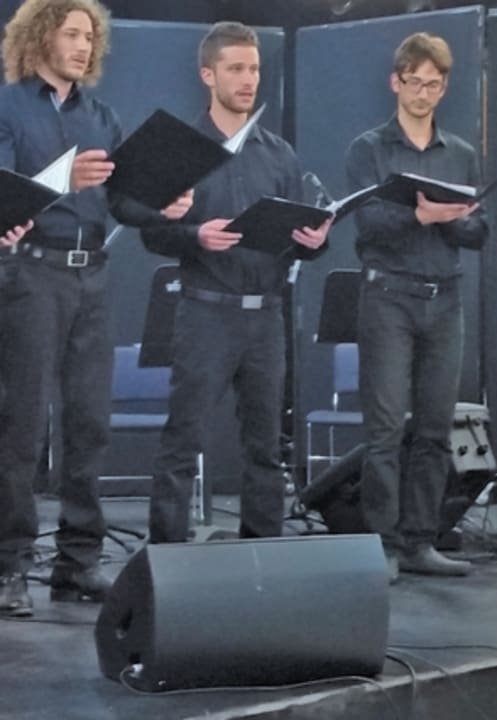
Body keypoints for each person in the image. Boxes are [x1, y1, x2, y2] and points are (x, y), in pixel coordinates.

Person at [0, 0, 191, 618]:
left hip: (93, 278)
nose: (84, 45)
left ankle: (77, 562)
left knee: (90, 423)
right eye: (72, 33)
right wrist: (62, 178)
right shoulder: (8, 106)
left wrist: (163, 205)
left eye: (91, 36)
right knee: (23, 425)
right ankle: (9, 567)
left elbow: (121, 202)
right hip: (32, 273)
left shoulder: (102, 115)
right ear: (40, 36)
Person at [143, 22, 330, 544]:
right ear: (208, 75)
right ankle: (166, 557)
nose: (248, 80)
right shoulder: (180, 149)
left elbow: (296, 235)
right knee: (183, 439)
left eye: (254, 69)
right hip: (205, 310)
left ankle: (261, 553)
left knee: (266, 446)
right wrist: (195, 235)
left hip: (266, 314)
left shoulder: (280, 154)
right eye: (236, 69)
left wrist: (313, 243)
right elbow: (152, 234)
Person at [344, 33, 483, 582]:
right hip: (388, 295)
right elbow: (367, 223)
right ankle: (381, 543)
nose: (422, 92)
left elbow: (480, 230)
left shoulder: (461, 152)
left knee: (434, 427)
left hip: (445, 297)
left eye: (433, 84)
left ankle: (421, 541)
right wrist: (421, 218)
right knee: (383, 428)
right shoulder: (369, 149)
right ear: (395, 82)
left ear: (444, 88)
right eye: (414, 81)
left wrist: (452, 220)